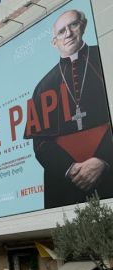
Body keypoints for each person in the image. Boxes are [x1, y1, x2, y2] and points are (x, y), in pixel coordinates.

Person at [24, 9, 113, 208]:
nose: (68, 34)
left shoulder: (106, 56)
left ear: (83, 25)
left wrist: (104, 159)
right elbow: (40, 144)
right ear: (54, 42)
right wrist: (71, 169)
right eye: (61, 31)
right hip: (66, 186)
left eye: (73, 25)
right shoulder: (44, 86)